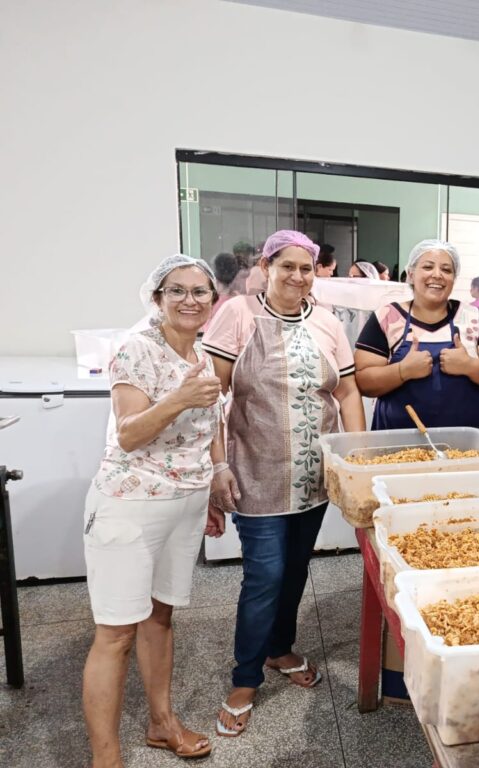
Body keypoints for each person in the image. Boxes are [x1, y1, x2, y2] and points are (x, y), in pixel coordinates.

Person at [202, 230, 366, 737]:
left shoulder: (326, 322)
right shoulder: (237, 315)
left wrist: (355, 457)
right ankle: (244, 680)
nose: (297, 276)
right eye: (287, 266)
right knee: (265, 577)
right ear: (266, 266)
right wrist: (216, 467)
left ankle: (279, 649)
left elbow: (349, 389)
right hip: (256, 473)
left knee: (296, 570)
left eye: (307, 267)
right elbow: (212, 396)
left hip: (314, 479)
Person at [82, 254, 232, 764]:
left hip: (184, 502)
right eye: (178, 291)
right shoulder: (134, 349)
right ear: (157, 298)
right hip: (131, 503)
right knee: (116, 633)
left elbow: (210, 425)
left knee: (161, 616)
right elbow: (128, 434)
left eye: (200, 292)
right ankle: (106, 757)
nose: (190, 300)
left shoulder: (202, 354)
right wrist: (180, 397)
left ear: (214, 300)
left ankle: (161, 723)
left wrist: (217, 475)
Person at [355, 239, 479, 430]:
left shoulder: (473, 318)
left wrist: (469, 365)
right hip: (395, 448)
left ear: (454, 278)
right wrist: (403, 370)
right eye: (428, 267)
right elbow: (363, 381)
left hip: (464, 448)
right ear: (411, 274)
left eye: (446, 270)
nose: (437, 275)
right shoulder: (387, 317)